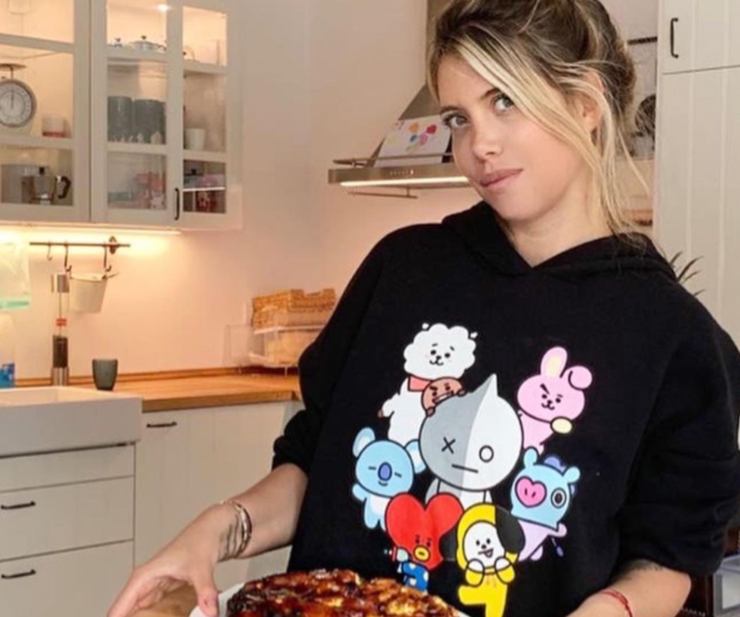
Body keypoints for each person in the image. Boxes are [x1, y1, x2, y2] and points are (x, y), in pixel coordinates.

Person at [108, 1, 740, 617]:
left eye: (505, 101)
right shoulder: (402, 268)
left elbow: (669, 559)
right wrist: (214, 530)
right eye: (458, 118)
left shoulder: (672, 336)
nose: (479, 145)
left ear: (585, 103)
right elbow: (313, 464)